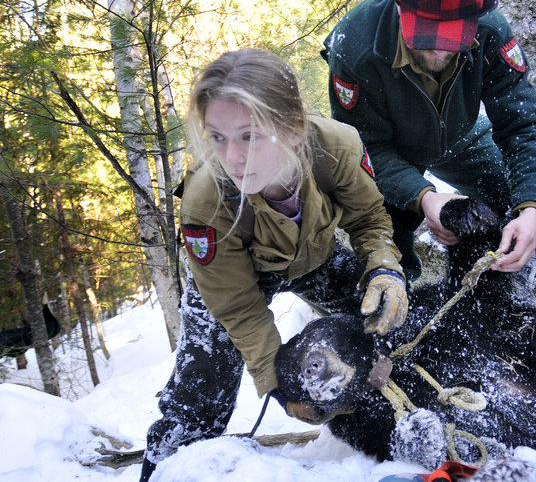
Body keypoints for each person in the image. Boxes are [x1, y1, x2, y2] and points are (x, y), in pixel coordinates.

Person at [140, 49, 408, 481]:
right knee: (201, 382)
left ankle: (402, 422)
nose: (232, 157)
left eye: (249, 135)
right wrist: (280, 386)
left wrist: (383, 268)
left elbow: (368, 219)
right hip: (237, 282)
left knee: (383, 321)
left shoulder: (336, 147)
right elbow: (240, 308)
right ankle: (169, 467)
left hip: (316, 257)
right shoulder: (205, 201)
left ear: (294, 128)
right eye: (217, 137)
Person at [323, 0, 536, 282]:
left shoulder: (490, 31)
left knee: (515, 191)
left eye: (452, 37)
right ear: (401, 7)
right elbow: (364, 149)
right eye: (425, 34)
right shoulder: (356, 48)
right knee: (383, 255)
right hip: (390, 153)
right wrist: (425, 198)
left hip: (458, 137)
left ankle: (507, 280)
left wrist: (532, 208)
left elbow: (522, 126)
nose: (437, 50)